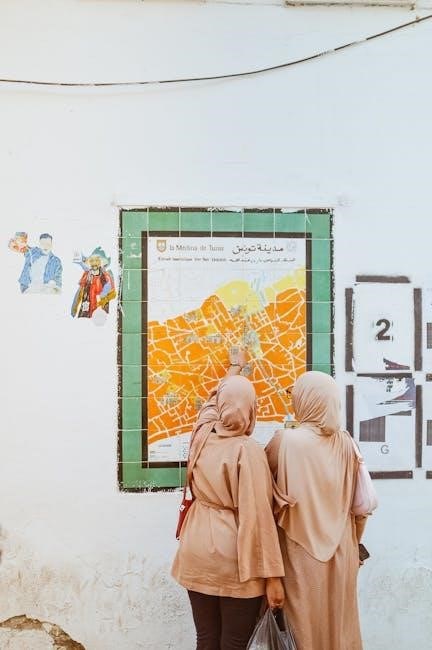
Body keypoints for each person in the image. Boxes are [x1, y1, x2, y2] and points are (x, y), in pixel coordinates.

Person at [172, 350, 285, 650]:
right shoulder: (248, 451)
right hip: (233, 558)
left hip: (195, 550)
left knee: (206, 638)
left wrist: (234, 368)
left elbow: (211, 403)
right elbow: (258, 517)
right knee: (234, 642)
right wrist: (274, 577)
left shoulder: (202, 434)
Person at [265, 371, 369, 650]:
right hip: (343, 551)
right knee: (340, 631)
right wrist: (354, 545)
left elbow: (259, 488)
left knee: (304, 633)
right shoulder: (347, 443)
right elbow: (361, 507)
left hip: (300, 554)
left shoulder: (284, 441)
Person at [71, 247, 116, 319]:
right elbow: (79, 292)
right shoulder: (86, 275)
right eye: (91, 261)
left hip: (100, 313)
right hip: (86, 311)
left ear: (101, 262)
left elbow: (113, 294)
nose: (94, 263)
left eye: (96, 260)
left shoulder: (106, 276)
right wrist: (74, 309)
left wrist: (104, 300)